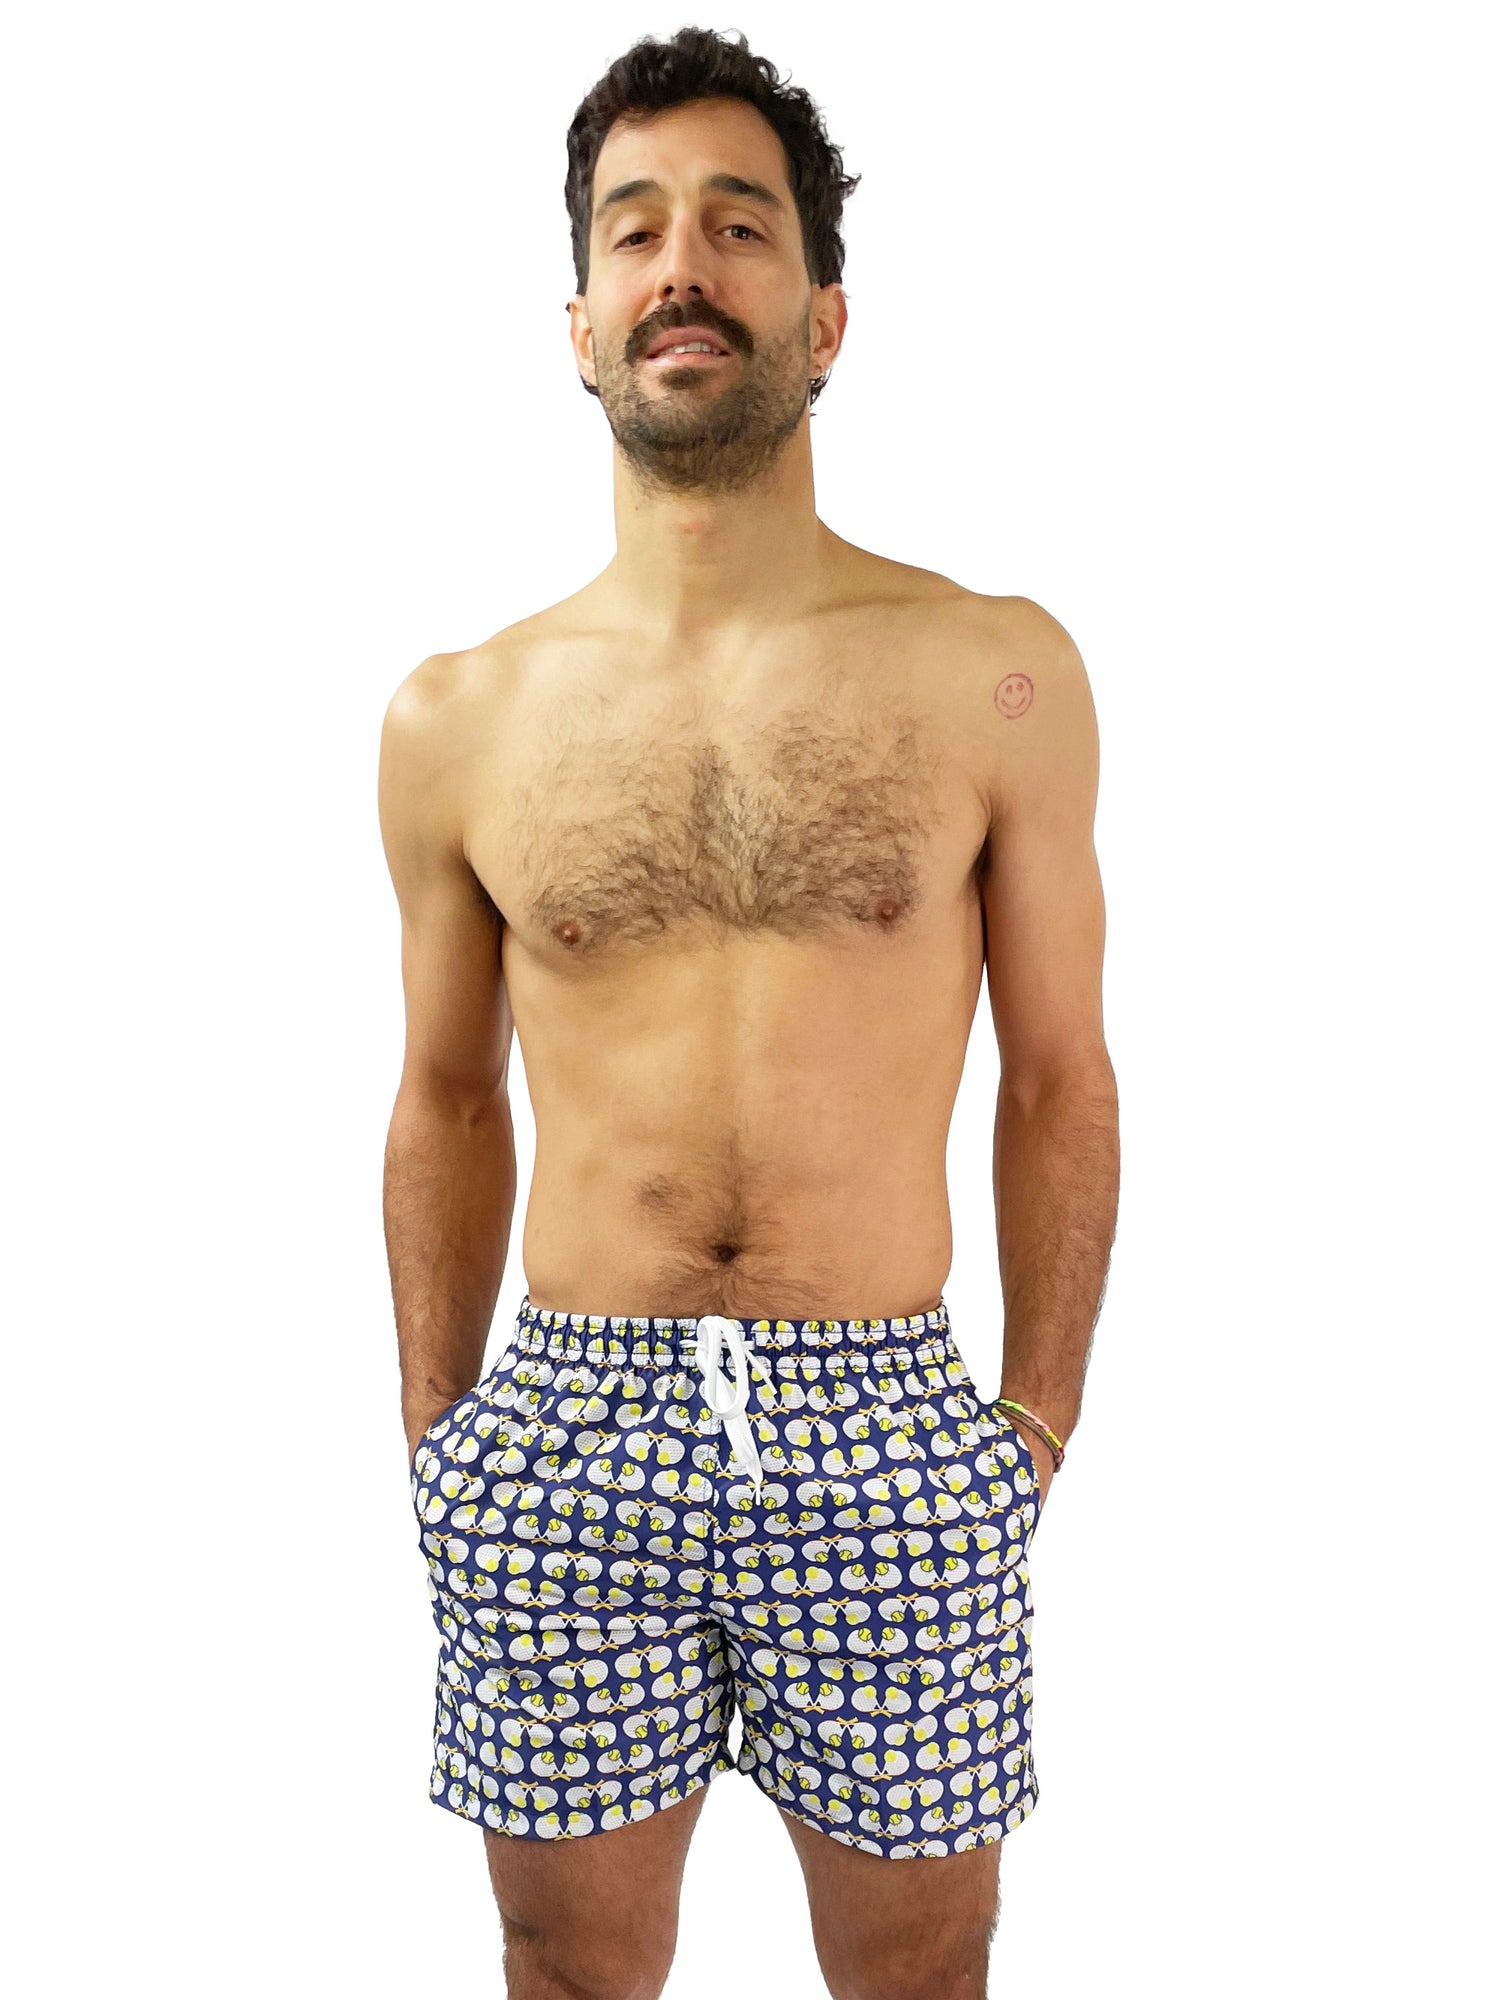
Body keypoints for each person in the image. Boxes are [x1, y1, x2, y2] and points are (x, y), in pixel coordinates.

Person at [378, 26, 1119, 2000]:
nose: (682, 267)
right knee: (566, 1964)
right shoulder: (459, 717)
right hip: (568, 1418)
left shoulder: (993, 671)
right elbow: (445, 1099)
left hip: (884, 1417)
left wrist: (1030, 1424)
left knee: (921, 1972)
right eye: (633, 231)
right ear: (579, 325)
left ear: (826, 315)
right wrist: (442, 1435)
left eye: (737, 224)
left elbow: (1061, 1076)